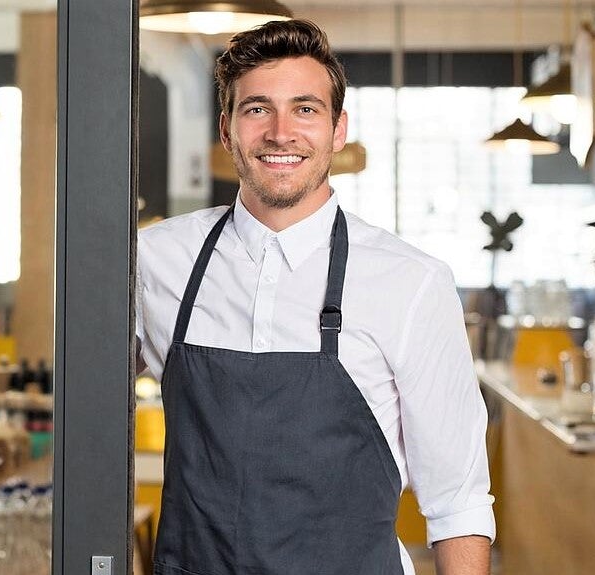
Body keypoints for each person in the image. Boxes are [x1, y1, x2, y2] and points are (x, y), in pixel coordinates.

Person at [135, 19, 495, 575]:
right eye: (257, 109)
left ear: (338, 128)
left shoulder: (411, 282)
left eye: (305, 109)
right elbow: (90, 408)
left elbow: (457, 501)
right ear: (227, 130)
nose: (281, 133)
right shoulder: (155, 260)